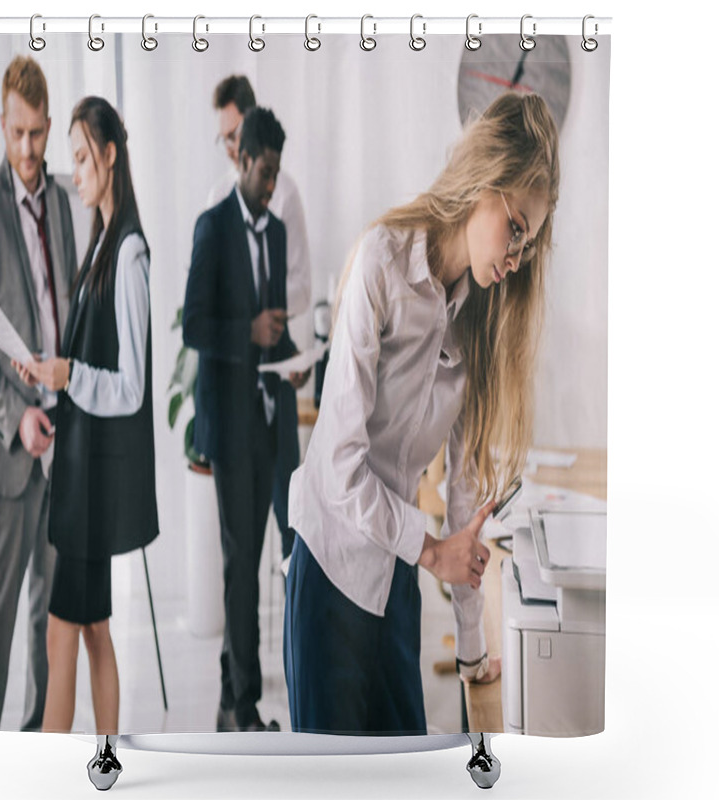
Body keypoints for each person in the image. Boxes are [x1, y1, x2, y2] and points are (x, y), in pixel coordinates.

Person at [284, 91, 560, 735]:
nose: (516, 256)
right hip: (329, 571)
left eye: (529, 241)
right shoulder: (381, 261)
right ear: (483, 182)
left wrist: (472, 652)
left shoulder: (476, 323)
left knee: (406, 773)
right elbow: (340, 469)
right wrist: (432, 550)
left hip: (397, 577)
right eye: (516, 227)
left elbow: (464, 503)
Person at [14, 97, 158, 748]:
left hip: (91, 489)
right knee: (93, 629)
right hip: (81, 476)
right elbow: (90, 360)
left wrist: (69, 375)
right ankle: (105, 762)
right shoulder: (101, 239)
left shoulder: (128, 254)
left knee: (61, 631)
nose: (73, 173)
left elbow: (129, 387)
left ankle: (53, 771)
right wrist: (54, 378)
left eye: (80, 158)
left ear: (109, 154)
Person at [184, 106, 310, 733]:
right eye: (264, 171)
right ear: (241, 161)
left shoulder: (280, 231)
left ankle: (251, 692)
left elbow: (277, 331)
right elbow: (195, 326)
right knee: (240, 566)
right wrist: (249, 332)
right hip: (232, 430)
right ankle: (243, 706)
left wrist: (295, 361)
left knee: (285, 557)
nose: (271, 184)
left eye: (277, 173)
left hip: (274, 424)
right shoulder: (212, 228)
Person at [0, 55, 78, 731]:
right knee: (0, 605)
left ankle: (40, 742)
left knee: (50, 608)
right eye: (19, 135)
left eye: (39, 133)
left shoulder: (65, 201)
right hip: (11, 442)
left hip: (63, 429)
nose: (30, 150)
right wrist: (17, 419)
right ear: (1, 126)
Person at [207, 75, 311, 561]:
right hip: (234, 390)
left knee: (292, 526)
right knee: (240, 551)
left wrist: (263, 317)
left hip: (275, 381)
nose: (229, 147)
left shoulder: (284, 194)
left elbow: (301, 286)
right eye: (224, 138)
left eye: (232, 135)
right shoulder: (216, 204)